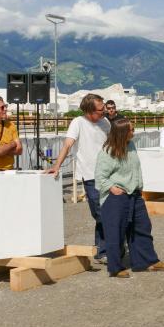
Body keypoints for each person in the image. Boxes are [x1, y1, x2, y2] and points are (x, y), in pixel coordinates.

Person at [95, 118, 164, 278]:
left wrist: (139, 186)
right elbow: (100, 177)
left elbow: (135, 169)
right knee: (115, 232)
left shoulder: (130, 145)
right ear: (123, 132)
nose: (134, 132)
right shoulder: (107, 152)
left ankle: (147, 261)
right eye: (131, 130)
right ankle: (115, 268)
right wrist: (112, 188)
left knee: (142, 227)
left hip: (134, 194)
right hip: (116, 196)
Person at [46, 94, 111, 263]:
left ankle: (103, 250)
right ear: (89, 111)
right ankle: (107, 248)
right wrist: (56, 166)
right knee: (100, 213)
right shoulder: (78, 123)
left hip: (109, 174)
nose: (104, 111)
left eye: (104, 107)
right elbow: (67, 144)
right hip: (90, 175)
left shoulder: (106, 123)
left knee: (109, 211)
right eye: (100, 109)